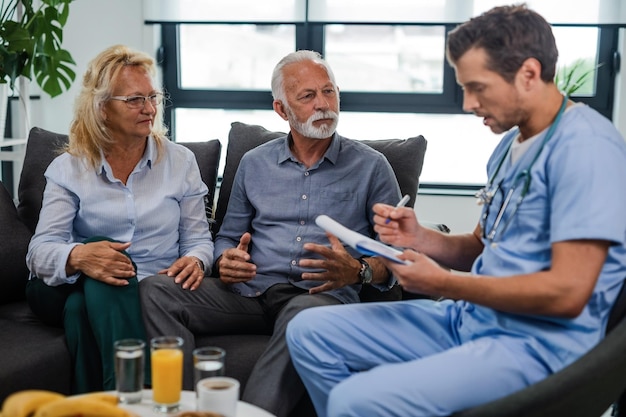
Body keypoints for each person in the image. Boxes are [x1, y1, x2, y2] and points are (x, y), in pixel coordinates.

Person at [285, 4, 626, 417]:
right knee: (306, 331)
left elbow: (570, 294)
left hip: (533, 344)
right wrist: (422, 239)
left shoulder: (586, 148)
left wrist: (445, 283)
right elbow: (485, 245)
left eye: (478, 87)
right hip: (469, 318)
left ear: (529, 74)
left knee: (352, 401)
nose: (467, 103)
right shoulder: (509, 147)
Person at [139, 49, 402, 416]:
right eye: (308, 96)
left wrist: (358, 271)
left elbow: (396, 260)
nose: (323, 104)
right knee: (157, 291)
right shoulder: (255, 163)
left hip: (319, 298)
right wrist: (225, 259)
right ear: (281, 109)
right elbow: (228, 237)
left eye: (329, 92)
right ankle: (185, 409)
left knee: (303, 316)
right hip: (252, 294)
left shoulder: (372, 167)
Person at [25, 44, 213, 394]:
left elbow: (199, 239)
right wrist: (79, 256)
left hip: (140, 289)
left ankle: (105, 402)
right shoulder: (69, 168)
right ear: (102, 109)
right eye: (134, 100)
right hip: (61, 287)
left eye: (153, 97)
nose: (150, 108)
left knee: (86, 304)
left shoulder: (181, 162)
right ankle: (136, 392)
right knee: (101, 253)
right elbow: (39, 252)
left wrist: (195, 259)